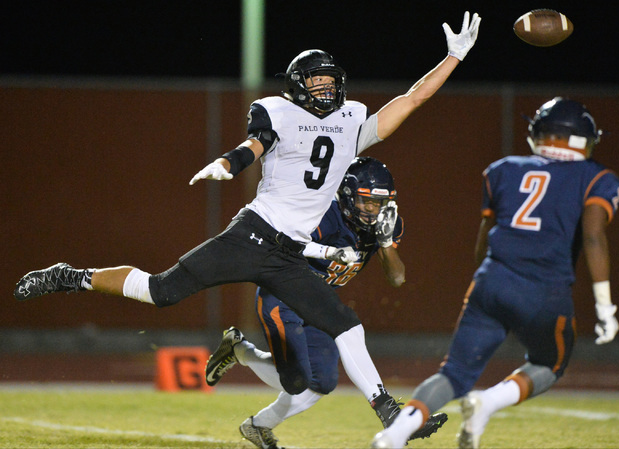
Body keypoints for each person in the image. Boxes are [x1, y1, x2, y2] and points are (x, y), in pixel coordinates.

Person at [14, 10, 480, 433]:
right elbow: (256, 142)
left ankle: (390, 413)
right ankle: (70, 275)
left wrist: (453, 58)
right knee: (161, 291)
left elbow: (412, 99)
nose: (324, 89)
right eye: (314, 82)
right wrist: (229, 162)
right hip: (253, 233)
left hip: (290, 255)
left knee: (345, 323)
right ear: (296, 85)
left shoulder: (352, 120)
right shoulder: (276, 111)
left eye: (328, 81)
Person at [370, 97, 619, 449]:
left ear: (538, 133)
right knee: (550, 364)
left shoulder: (504, 169)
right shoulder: (597, 177)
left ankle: (392, 436)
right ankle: (488, 402)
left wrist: (486, 284)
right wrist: (605, 307)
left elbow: (483, 241)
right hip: (544, 290)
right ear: (584, 138)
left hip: (492, 279)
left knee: (452, 374)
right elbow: (594, 237)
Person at [204, 157, 447, 449]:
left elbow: (397, 278)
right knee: (296, 379)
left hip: (319, 301)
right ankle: (388, 411)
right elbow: (286, 241)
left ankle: (257, 425)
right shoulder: (323, 212)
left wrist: (384, 243)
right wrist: (328, 251)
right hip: (283, 293)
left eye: (379, 203)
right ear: (346, 196)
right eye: (366, 202)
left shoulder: (385, 222)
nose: (373, 211)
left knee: (321, 381)